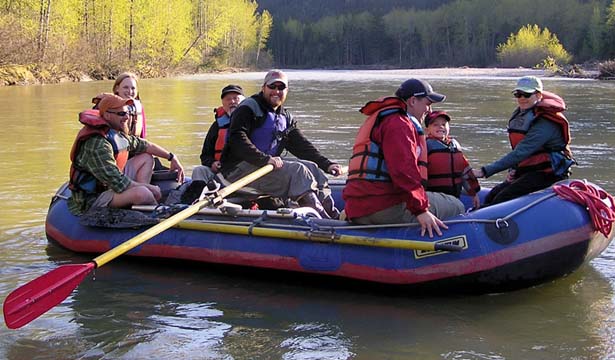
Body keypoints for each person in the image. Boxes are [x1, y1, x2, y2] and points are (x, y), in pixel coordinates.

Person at [342, 79, 465, 237]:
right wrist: (420, 211)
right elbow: (403, 172)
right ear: (413, 101)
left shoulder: (382, 118)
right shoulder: (400, 124)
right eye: (428, 103)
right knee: (457, 205)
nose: (429, 110)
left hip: (357, 208)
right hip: (383, 207)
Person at [219, 69, 343, 218]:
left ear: (287, 90)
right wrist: (264, 159)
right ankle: (324, 221)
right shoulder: (248, 108)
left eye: (281, 87)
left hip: (265, 167)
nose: (276, 91)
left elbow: (302, 146)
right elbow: (237, 139)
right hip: (237, 170)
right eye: (272, 87)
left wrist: (327, 164)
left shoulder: (285, 116)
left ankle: (333, 216)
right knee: (298, 171)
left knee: (312, 168)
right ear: (263, 88)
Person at [68, 94, 184, 216]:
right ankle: (152, 209)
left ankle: (141, 204)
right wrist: (148, 188)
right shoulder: (98, 144)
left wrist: (171, 157)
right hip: (93, 197)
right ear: (107, 115)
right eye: (122, 114)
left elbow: (144, 145)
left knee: (146, 157)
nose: (127, 117)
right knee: (143, 193)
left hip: (112, 185)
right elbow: (118, 182)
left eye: (128, 112)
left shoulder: (116, 133)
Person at [472, 76, 575, 206]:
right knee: (493, 195)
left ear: (538, 95)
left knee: (502, 199)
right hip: (529, 171)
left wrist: (484, 171)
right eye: (518, 94)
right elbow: (518, 149)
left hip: (548, 174)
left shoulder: (545, 122)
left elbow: (522, 151)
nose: (521, 98)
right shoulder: (523, 114)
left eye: (526, 94)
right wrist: (514, 169)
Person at [424, 111, 481, 209]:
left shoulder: (454, 145)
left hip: (454, 195)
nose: (441, 127)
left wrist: (473, 193)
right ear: (427, 130)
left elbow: (465, 171)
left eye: (443, 124)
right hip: (434, 196)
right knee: (459, 208)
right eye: (435, 125)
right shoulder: (426, 146)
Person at [192, 84, 245, 182]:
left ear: (244, 101)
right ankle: (199, 195)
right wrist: (212, 163)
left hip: (243, 173)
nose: (232, 102)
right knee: (199, 170)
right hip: (220, 172)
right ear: (223, 103)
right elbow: (205, 156)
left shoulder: (252, 121)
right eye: (228, 99)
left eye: (235, 98)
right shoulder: (217, 126)